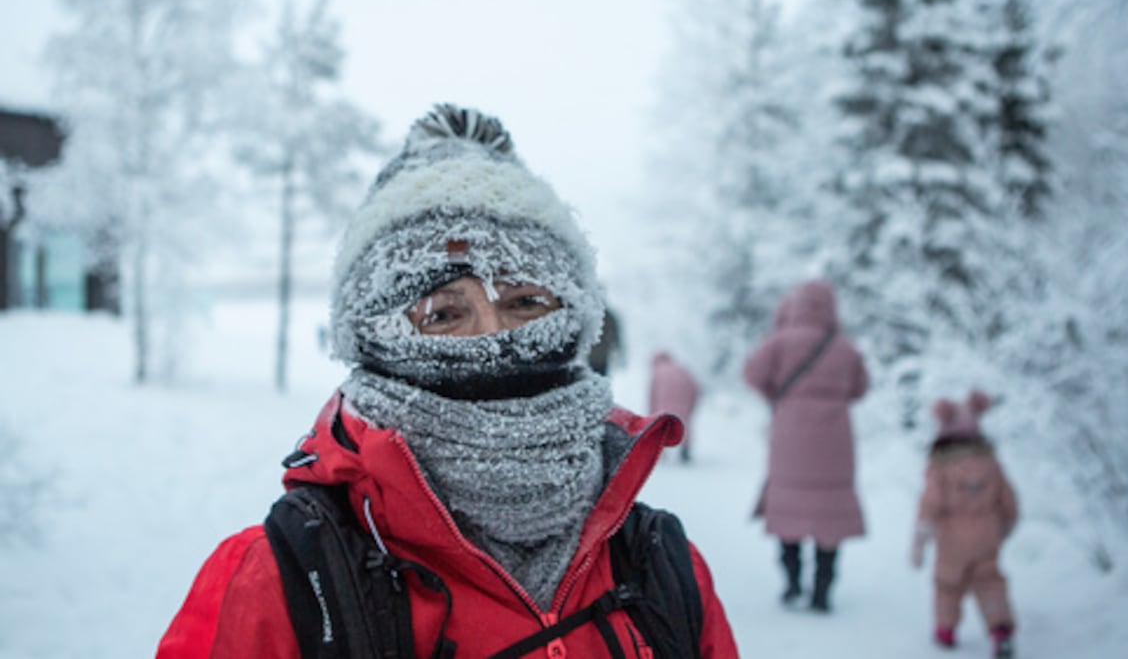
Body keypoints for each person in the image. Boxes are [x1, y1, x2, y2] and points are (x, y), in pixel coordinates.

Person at [156, 104, 738, 658]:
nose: (493, 337)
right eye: (442, 314)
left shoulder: (661, 567)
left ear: (575, 318)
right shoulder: (277, 582)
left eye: (525, 301)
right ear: (375, 339)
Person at [742, 279, 868, 612]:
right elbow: (860, 387)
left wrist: (779, 395)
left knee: (788, 507)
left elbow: (752, 373)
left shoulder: (779, 341)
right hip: (836, 439)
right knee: (830, 515)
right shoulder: (845, 347)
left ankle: (792, 582)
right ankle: (822, 590)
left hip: (790, 432)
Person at [911, 390, 1018, 659]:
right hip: (987, 533)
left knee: (947, 584)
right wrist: (1005, 526)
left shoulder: (940, 466)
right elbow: (1009, 499)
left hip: (951, 538)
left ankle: (945, 631)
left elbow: (931, 503)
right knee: (990, 581)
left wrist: (921, 537)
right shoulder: (990, 463)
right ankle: (1001, 630)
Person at [648, 351, 701, 463]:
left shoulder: (657, 372)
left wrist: (651, 414)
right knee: (684, 422)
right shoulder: (682, 369)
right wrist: (692, 406)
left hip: (664, 400)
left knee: (662, 423)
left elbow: (653, 395)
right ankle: (685, 450)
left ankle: (660, 450)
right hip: (684, 398)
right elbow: (695, 387)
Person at [587, 306, 623, 375]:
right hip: (600, 354)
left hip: (597, 354)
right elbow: (615, 333)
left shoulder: (593, 314)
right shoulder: (608, 316)